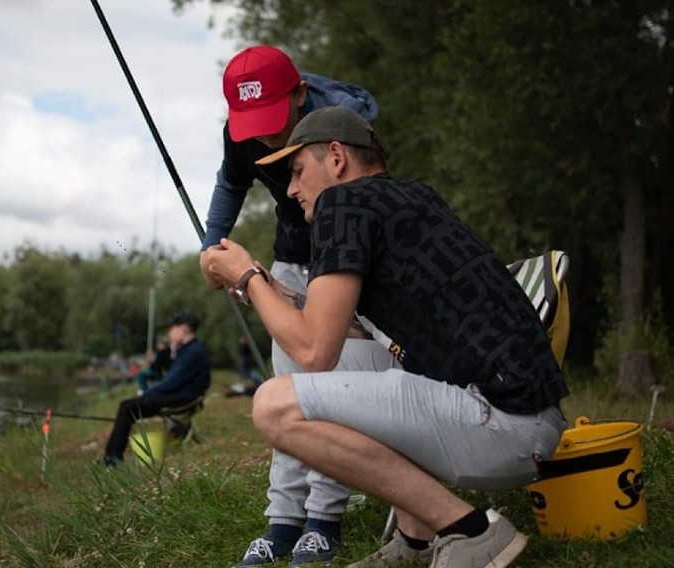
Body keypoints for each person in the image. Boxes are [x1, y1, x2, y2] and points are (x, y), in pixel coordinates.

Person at [205, 106, 569, 568]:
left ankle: (470, 530)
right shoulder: (412, 198)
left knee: (274, 405)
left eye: (297, 171)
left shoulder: (343, 204)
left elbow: (314, 350)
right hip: (532, 421)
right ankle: (414, 541)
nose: (292, 190)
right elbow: (334, 325)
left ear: (336, 158)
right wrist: (266, 286)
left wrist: (247, 276)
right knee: (357, 364)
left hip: (502, 424)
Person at [199, 45, 383, 566]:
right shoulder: (243, 134)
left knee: (330, 390)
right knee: (286, 391)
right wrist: (213, 246)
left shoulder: (345, 124)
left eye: (275, 121)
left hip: (343, 263)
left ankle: (325, 519)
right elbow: (230, 182)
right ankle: (283, 520)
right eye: (252, 124)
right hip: (289, 260)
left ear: (302, 93)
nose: (265, 136)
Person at [101, 310, 210, 467]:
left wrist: (146, 395)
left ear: (184, 329)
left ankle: (112, 459)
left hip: (183, 397)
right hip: (181, 394)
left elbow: (171, 383)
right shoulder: (188, 350)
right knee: (128, 407)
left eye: (172, 328)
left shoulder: (193, 352)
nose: (170, 333)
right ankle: (111, 457)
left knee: (127, 407)